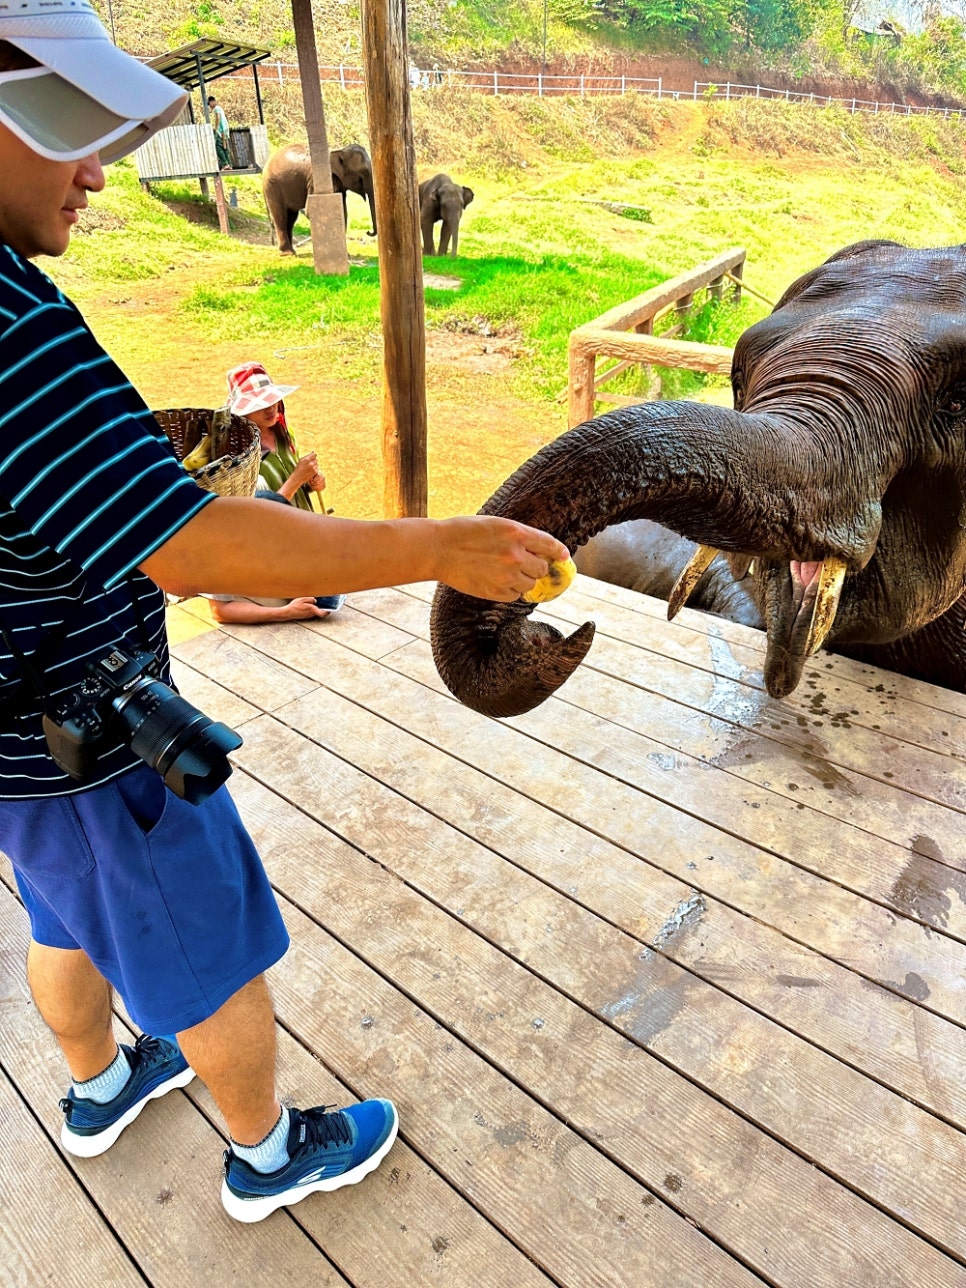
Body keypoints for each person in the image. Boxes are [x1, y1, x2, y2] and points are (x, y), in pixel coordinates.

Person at [0, 0, 569, 1226]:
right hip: (96, 735)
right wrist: (445, 547)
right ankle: (267, 1154)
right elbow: (197, 547)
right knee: (203, 944)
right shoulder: (7, 327)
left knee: (66, 915)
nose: (97, 169)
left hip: (15, 748)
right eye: (67, 127)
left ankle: (100, 1085)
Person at [207, 362, 346, 623]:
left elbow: (291, 482)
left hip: (304, 554)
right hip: (274, 562)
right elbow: (258, 516)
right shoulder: (233, 461)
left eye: (273, 400)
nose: (271, 408)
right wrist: (296, 479)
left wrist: (312, 481)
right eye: (259, 404)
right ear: (242, 413)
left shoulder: (281, 433)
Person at [207, 93, 230, 170]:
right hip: (225, 129)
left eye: (209, 104)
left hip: (221, 130)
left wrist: (216, 128)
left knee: (218, 147)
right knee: (224, 147)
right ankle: (229, 164)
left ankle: (225, 164)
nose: (209, 106)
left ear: (211, 102)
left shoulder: (216, 108)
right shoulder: (219, 108)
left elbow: (218, 118)